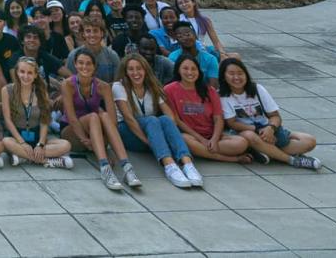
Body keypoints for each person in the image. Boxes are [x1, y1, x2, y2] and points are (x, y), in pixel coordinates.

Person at [113, 53, 203, 189]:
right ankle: (169, 165)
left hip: (150, 131)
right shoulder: (118, 87)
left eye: (139, 68)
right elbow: (129, 119)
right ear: (125, 72)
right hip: (128, 132)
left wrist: (168, 137)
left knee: (165, 119)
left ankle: (187, 163)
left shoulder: (151, 85)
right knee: (152, 120)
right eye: (131, 69)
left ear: (145, 70)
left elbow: (169, 115)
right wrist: (149, 142)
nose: (135, 73)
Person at [218, 57, 321, 169]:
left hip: (268, 131)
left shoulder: (257, 89)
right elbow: (232, 123)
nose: (236, 77)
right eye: (231, 74)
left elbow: (275, 116)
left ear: (246, 74)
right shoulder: (222, 96)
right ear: (224, 76)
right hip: (246, 132)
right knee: (249, 135)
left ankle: (264, 152)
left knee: (310, 141)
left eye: (240, 73)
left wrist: (270, 128)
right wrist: (258, 130)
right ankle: (292, 160)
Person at [60, 49, 136, 191]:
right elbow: (71, 117)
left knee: (104, 116)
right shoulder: (68, 84)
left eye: (88, 64)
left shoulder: (103, 86)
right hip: (73, 133)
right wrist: (85, 140)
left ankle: (127, 167)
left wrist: (105, 140)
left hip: (96, 134)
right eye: (81, 63)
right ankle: (104, 167)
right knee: (94, 116)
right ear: (75, 65)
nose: (84, 67)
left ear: (94, 67)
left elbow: (113, 120)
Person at [0, 57, 72, 168]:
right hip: (17, 138)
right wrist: (22, 143)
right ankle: (46, 161)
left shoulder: (41, 91)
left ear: (35, 75)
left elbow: (44, 120)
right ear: (17, 72)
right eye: (22, 72)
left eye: (30, 73)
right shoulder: (7, 90)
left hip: (37, 137)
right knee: (5, 142)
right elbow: (8, 120)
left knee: (66, 145)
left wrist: (41, 144)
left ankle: (24, 157)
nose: (25, 76)